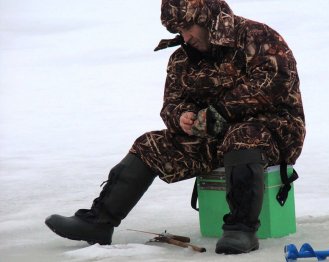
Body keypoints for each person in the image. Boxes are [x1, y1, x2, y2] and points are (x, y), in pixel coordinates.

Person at [45, 0, 306, 255]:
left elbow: (273, 84)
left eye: (187, 27)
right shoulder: (181, 59)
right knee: (150, 144)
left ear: (205, 18)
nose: (185, 36)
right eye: (178, 31)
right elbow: (171, 105)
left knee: (242, 135)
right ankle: (98, 222)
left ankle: (241, 229)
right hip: (214, 138)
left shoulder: (256, 36)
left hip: (275, 132)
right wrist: (182, 117)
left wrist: (220, 111)